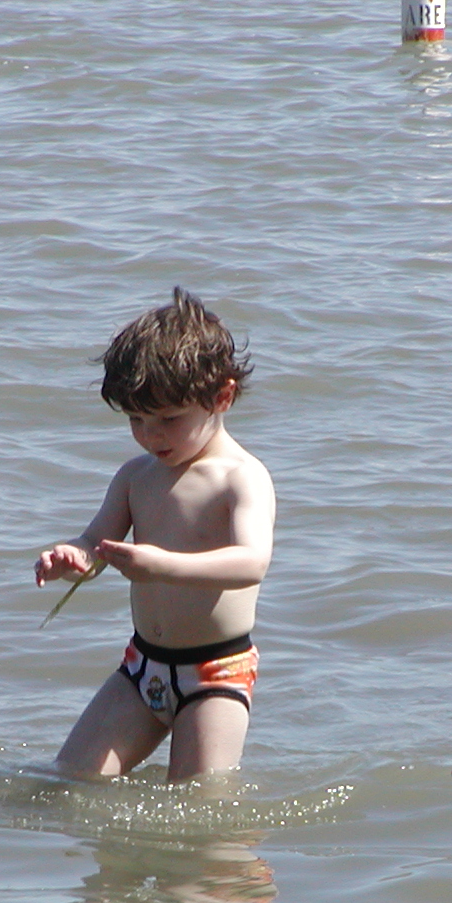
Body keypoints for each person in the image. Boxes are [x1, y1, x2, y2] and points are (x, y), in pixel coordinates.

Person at [35, 289, 275, 782]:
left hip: (215, 673)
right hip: (141, 668)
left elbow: (251, 562)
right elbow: (96, 543)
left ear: (222, 397)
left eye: (169, 419)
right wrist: (74, 558)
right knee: (69, 780)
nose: (151, 436)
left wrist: (162, 565)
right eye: (136, 420)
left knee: (197, 803)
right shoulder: (135, 477)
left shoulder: (240, 477)